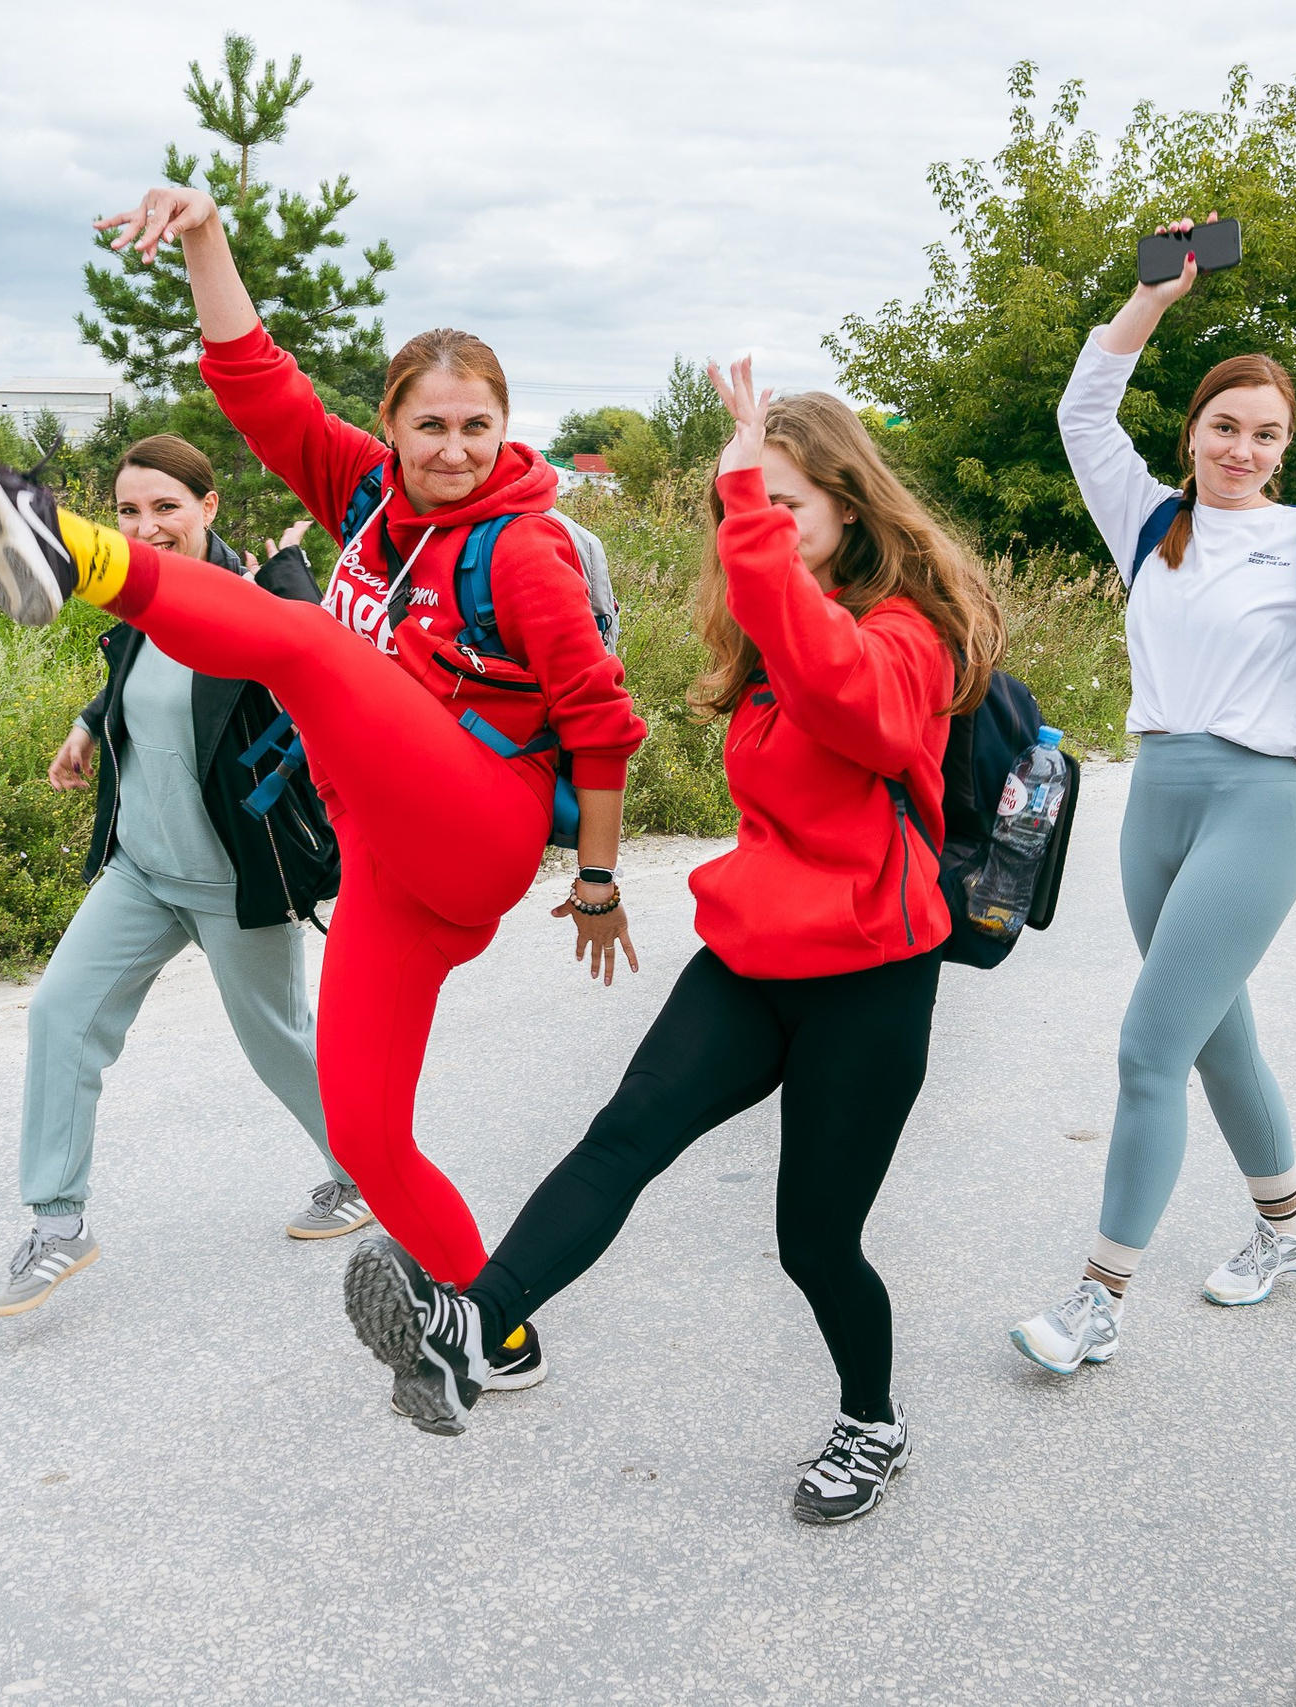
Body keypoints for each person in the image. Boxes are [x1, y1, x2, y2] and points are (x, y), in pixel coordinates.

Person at [0, 185, 644, 1389]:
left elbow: (602, 727)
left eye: (480, 426)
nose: (455, 449)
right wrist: (204, 237)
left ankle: (64, 543)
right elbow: (256, 381)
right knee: (364, 1133)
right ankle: (491, 1327)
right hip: (386, 858)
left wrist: (600, 880)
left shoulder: (529, 548)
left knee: (306, 642)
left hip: (476, 822)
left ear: (508, 427)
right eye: (432, 425)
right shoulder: (365, 499)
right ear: (391, 425)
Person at [339, 362, 1004, 1525]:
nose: (758, 523)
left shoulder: (912, 639)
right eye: (749, 503)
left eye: (784, 502)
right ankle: (468, 1329)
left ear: (851, 504)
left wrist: (746, 511)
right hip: (752, 956)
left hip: (868, 979)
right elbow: (786, 697)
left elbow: (847, 695)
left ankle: (872, 1421)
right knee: (622, 1138)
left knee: (816, 1242)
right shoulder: (771, 633)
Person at [1011, 219, 1296, 1378]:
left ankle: (1096, 1301)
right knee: (1212, 1040)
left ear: (1285, 451)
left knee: (1148, 1048)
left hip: (1254, 809)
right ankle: (1290, 1229)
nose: (1241, 448)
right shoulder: (1148, 522)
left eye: (1265, 435)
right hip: (1156, 801)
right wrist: (1153, 299)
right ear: (1191, 434)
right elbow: (1083, 413)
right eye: (1224, 427)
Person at [0, 433, 372, 1317]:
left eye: (166, 507)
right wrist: (90, 725)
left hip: (238, 877)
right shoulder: (139, 595)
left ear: (208, 507)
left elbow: (326, 667)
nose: (146, 526)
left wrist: (289, 585)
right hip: (142, 866)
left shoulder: (252, 600)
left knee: (281, 1042)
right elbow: (134, 667)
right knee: (60, 1012)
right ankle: (57, 1223)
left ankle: (361, 1175)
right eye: (129, 510)